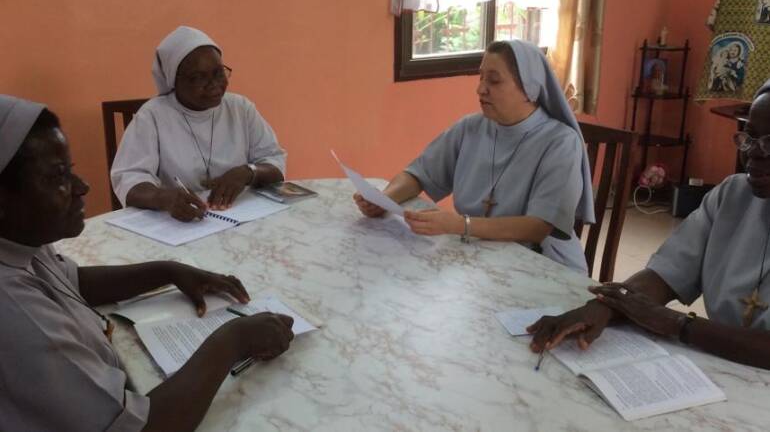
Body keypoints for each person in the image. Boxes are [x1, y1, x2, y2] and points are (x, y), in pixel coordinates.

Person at [0, 94, 295, 431]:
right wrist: (232, 341)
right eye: (58, 177)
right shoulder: (17, 314)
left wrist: (167, 270)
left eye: (72, 171)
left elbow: (72, 281)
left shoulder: (18, 243)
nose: (83, 187)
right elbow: (145, 426)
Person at [527, 81, 770, 370]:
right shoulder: (732, 196)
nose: (755, 153)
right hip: (728, 366)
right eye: (750, 138)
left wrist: (678, 324)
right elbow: (665, 274)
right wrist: (601, 308)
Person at [354, 40, 595, 273]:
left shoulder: (560, 142)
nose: (480, 88)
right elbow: (418, 174)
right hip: (482, 255)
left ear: (529, 89)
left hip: (545, 265)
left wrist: (459, 225)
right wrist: (384, 198)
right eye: (481, 77)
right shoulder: (471, 127)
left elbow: (538, 227)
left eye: (494, 80)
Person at [111, 26, 286, 221]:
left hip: (238, 216)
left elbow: (275, 163)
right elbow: (128, 177)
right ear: (173, 80)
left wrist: (248, 172)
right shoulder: (152, 116)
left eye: (218, 73)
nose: (213, 84)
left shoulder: (241, 108)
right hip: (179, 224)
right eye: (198, 77)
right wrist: (163, 197)